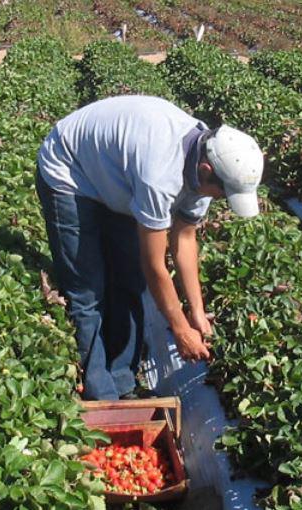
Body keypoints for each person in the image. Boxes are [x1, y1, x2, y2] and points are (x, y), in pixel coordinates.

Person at [35, 95, 264, 401]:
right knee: (88, 290)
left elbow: (183, 239)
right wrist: (180, 330)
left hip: (116, 176)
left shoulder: (209, 161)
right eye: (223, 193)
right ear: (207, 170)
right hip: (70, 170)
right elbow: (154, 265)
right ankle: (100, 395)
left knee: (130, 282)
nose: (220, 199)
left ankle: (123, 382)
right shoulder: (160, 174)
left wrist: (195, 311)